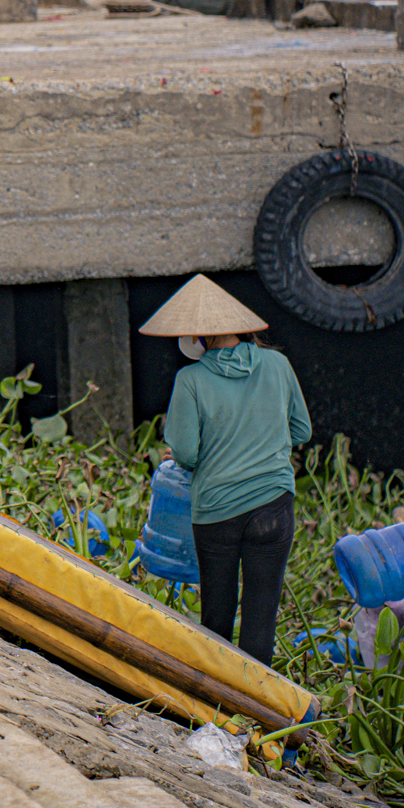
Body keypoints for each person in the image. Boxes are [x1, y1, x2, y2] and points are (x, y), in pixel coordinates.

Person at [140, 275, 312, 667]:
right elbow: (301, 430)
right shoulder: (278, 364)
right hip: (274, 505)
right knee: (261, 616)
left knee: (216, 617)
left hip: (217, 510)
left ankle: (216, 701)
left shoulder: (190, 379)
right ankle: (256, 709)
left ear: (200, 336)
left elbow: (184, 451)